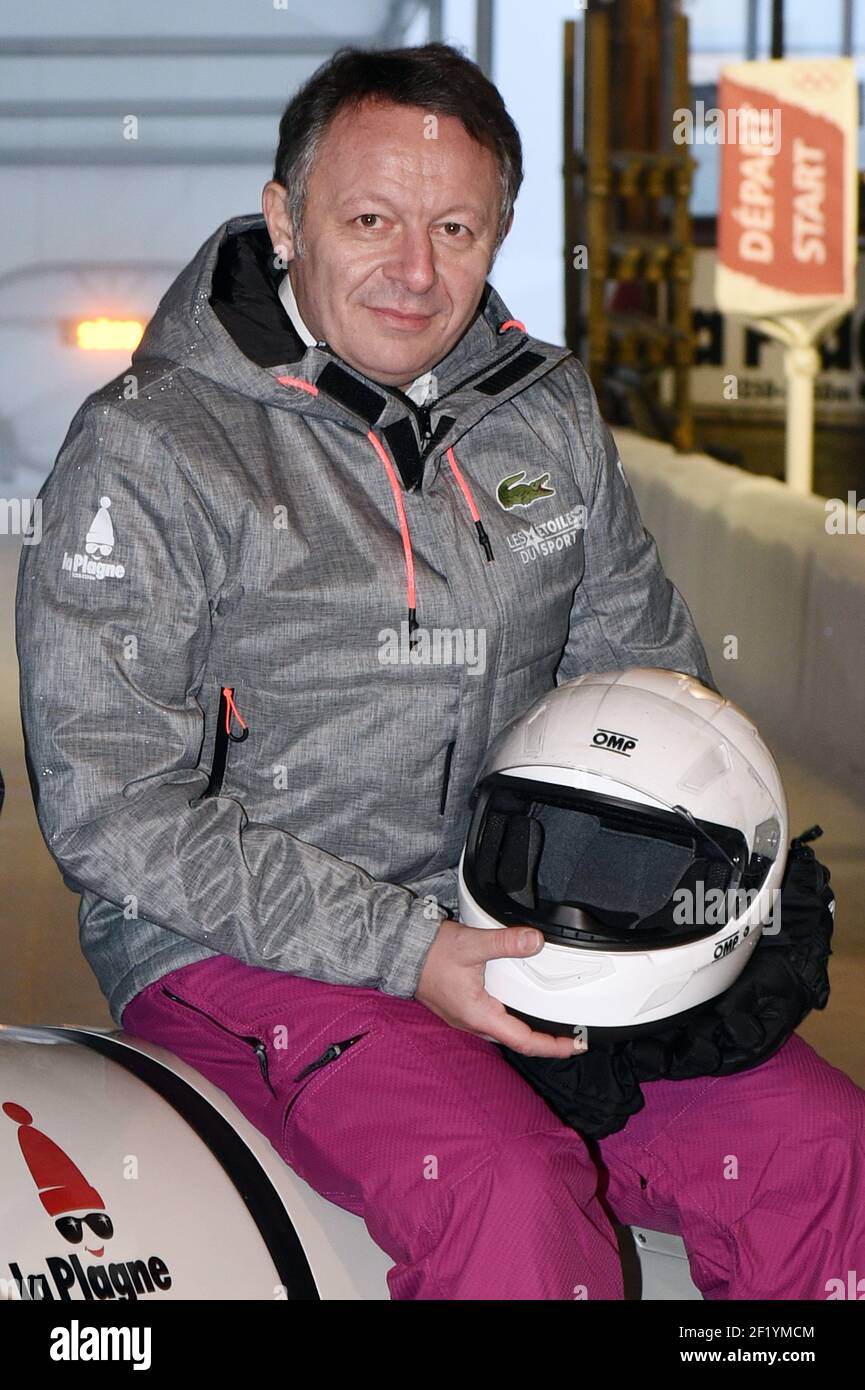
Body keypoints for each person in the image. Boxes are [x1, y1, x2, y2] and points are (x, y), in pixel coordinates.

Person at [16, 43, 864, 1300]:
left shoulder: (544, 409)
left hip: (529, 924)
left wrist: (703, 888)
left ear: (498, 232)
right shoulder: (152, 450)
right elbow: (110, 811)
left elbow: (644, 670)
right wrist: (407, 948)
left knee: (823, 1152)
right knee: (507, 1191)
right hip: (243, 949)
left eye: (456, 229)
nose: (416, 273)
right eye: (370, 220)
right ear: (284, 220)